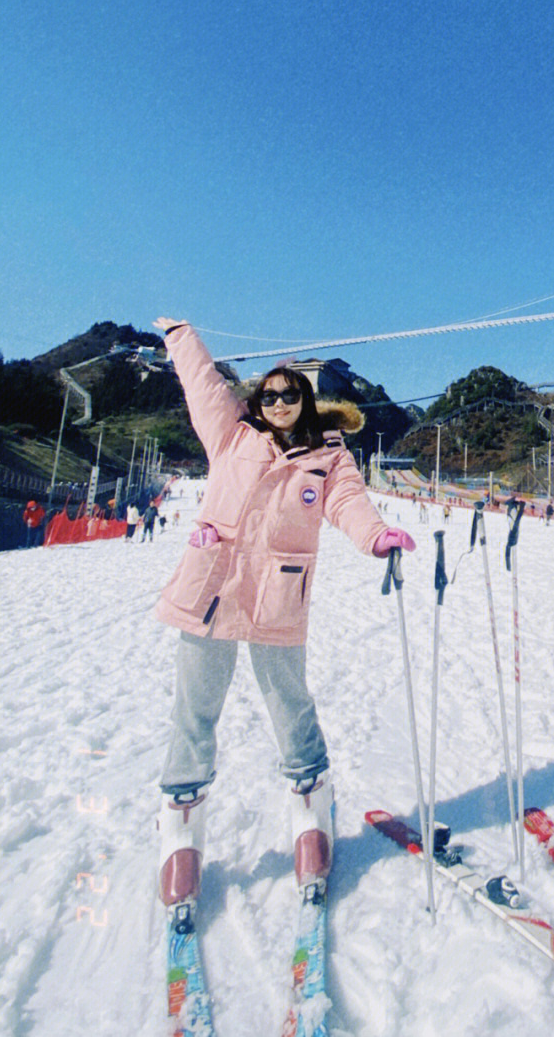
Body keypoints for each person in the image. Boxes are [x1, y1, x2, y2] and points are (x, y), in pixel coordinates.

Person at [150, 318, 416, 916]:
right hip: (211, 591)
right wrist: (183, 337)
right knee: (194, 710)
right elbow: (201, 386)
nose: (277, 403)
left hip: (277, 599)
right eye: (268, 395)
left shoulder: (329, 460)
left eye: (289, 394)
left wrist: (375, 537)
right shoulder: (231, 438)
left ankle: (311, 813)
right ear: (257, 403)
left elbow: (349, 505)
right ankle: (180, 830)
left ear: (305, 401)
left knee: (290, 706)